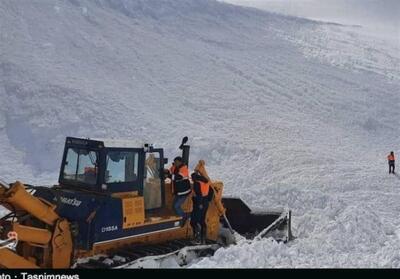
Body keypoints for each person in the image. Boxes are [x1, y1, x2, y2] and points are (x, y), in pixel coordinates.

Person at [190, 160, 213, 244]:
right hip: (205, 203)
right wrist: (208, 200)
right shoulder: (205, 182)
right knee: (202, 220)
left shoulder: (197, 183)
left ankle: (198, 238)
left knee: (194, 221)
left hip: (199, 203)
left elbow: (199, 194)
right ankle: (203, 239)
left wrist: (199, 203)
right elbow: (211, 191)